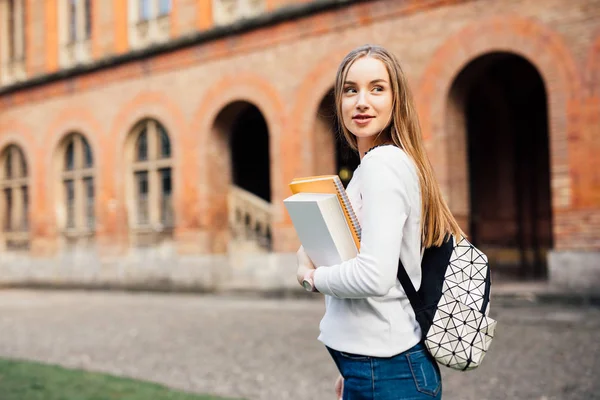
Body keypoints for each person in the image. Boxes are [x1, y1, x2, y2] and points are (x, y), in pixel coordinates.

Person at [296, 44, 464, 399]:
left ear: (395, 99)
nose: (361, 101)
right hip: (374, 369)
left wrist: (312, 278)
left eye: (377, 88)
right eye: (350, 89)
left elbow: (374, 275)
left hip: (387, 370)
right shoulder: (375, 165)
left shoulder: (382, 166)